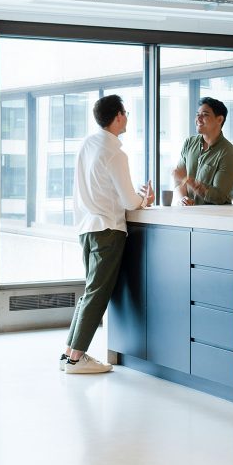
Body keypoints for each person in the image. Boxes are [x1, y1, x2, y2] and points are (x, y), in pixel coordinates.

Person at [60, 94, 154, 374]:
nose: (126, 117)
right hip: (108, 230)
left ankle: (69, 354)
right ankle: (77, 358)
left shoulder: (88, 144)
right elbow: (128, 201)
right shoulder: (115, 153)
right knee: (97, 294)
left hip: (87, 228)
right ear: (118, 117)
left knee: (90, 291)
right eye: (125, 112)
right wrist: (144, 199)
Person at [171, 96, 233, 205]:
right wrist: (183, 199)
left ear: (219, 119)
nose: (198, 119)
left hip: (214, 219)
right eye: (197, 114)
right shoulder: (189, 143)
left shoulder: (229, 154)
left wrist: (189, 180)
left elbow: (219, 197)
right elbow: (178, 179)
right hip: (187, 216)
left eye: (204, 115)